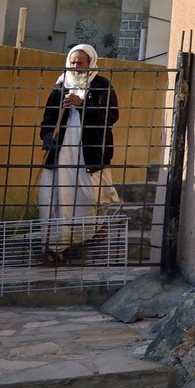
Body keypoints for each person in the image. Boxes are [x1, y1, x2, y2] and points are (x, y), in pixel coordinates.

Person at [37, 44, 121, 266]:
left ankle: (93, 229)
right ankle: (55, 246)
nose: (75, 67)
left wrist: (82, 104)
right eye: (72, 63)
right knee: (56, 197)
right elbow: (48, 118)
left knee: (93, 197)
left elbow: (111, 116)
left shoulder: (101, 85)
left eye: (80, 63)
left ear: (90, 63)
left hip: (91, 153)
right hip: (62, 152)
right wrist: (46, 136)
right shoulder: (60, 85)